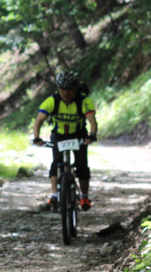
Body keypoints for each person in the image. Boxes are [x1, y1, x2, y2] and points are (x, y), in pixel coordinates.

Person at [32, 70, 98, 211]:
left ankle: (84, 196)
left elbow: (92, 120)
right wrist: (37, 137)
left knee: (81, 166)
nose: (65, 93)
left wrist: (91, 135)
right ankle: (55, 195)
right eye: (62, 89)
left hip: (78, 134)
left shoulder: (83, 101)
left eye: (69, 89)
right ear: (58, 89)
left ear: (75, 89)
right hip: (59, 135)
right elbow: (39, 121)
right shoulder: (52, 101)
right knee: (56, 164)